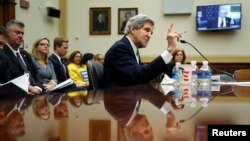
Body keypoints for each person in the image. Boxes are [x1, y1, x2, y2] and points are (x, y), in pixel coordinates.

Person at [103, 14, 181, 89]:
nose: (149, 35)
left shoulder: (132, 48)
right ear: (133, 29)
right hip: (117, 100)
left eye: (151, 33)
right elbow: (140, 76)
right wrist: (170, 49)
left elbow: (141, 75)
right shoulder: (120, 48)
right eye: (146, 30)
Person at [2, 19, 41, 95]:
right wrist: (28, 88)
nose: (20, 36)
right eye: (17, 33)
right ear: (7, 34)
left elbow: (36, 76)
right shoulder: (3, 54)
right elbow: (7, 80)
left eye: (22, 33)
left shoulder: (25, 54)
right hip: (18, 96)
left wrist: (38, 88)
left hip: (36, 93)